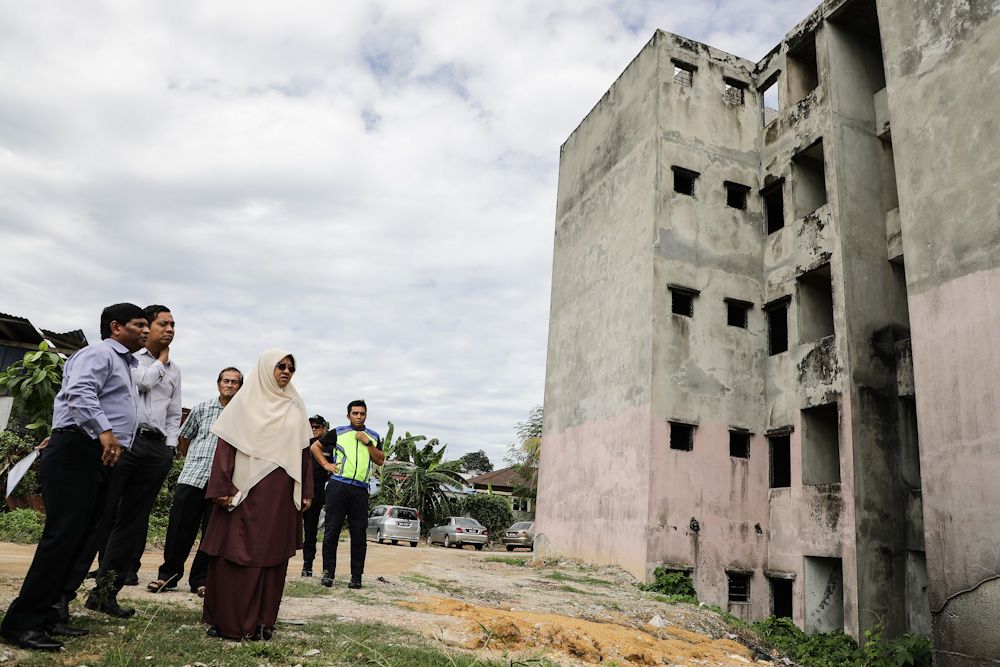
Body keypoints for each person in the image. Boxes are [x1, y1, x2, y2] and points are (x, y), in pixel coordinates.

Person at [0, 303, 148, 651]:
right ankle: (21, 623)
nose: (145, 330)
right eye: (139, 324)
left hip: (97, 454)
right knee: (63, 536)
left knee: (81, 537)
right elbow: (80, 394)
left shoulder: (126, 364)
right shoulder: (97, 354)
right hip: (78, 451)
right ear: (115, 327)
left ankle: (49, 616)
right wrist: (106, 432)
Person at [200, 349, 313, 640]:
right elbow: (226, 448)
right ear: (265, 369)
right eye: (280, 366)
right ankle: (227, 621)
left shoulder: (295, 408)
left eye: (291, 367)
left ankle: (262, 623)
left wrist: (307, 490)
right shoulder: (243, 404)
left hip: (279, 496)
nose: (286, 372)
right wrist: (222, 488)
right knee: (233, 554)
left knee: (271, 557)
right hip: (243, 492)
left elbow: (303, 454)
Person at [86, 305, 182, 617]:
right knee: (101, 514)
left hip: (155, 449)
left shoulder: (176, 371)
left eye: (172, 325)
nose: (168, 330)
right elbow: (142, 382)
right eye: (161, 324)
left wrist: (169, 447)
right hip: (124, 443)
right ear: (146, 327)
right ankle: (62, 591)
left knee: (132, 522)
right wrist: (161, 362)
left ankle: (105, 593)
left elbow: (173, 412)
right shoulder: (127, 359)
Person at [147, 367, 243, 596]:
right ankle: (167, 576)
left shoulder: (244, 415)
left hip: (221, 483)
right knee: (179, 528)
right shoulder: (202, 408)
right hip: (192, 476)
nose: (229, 385)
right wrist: (193, 459)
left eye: (235, 382)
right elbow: (185, 435)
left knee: (211, 533)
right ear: (218, 383)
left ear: (241, 387)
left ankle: (201, 580)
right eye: (226, 381)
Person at [317, 400, 384, 589]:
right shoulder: (338, 432)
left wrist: (368, 443)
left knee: (358, 535)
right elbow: (316, 448)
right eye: (355, 413)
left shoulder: (373, 436)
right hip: (338, 486)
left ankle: (356, 577)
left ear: (366, 416)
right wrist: (326, 465)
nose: (359, 416)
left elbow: (380, 460)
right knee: (332, 531)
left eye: (362, 413)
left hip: (360, 490)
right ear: (348, 415)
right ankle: (328, 573)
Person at [301, 414, 329, 577]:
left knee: (310, 533)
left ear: (324, 429)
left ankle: (307, 566)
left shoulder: (328, 448)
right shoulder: (301, 445)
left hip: (316, 495)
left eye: (317, 427)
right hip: (296, 493)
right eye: (311, 427)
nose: (313, 429)